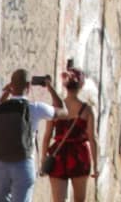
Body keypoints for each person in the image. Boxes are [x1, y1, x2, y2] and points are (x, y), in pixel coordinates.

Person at [0, 69, 60, 202]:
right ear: (29, 86)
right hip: (23, 164)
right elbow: (63, 111)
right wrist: (50, 88)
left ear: (11, 85)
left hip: (0, 163)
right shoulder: (35, 108)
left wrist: (5, 94)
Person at [41, 68, 97, 200]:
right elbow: (93, 138)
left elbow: (47, 135)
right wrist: (96, 166)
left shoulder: (56, 107)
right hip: (79, 155)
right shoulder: (87, 110)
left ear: (65, 86)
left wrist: (44, 158)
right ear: (81, 85)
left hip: (58, 155)